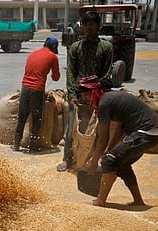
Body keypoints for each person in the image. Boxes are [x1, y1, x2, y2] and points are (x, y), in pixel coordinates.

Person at [80, 75, 158, 208]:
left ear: (94, 92)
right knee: (121, 164)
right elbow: (120, 128)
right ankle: (138, 201)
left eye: (86, 95)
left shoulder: (104, 103)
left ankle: (101, 200)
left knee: (109, 160)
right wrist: (110, 149)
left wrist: (94, 162)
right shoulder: (111, 98)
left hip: (146, 132)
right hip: (151, 133)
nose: (86, 99)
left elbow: (103, 137)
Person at [57, 11, 114, 172]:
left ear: (98, 27)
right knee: (71, 130)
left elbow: (105, 74)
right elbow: (71, 73)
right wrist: (73, 94)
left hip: (97, 98)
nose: (88, 28)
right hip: (77, 97)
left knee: (95, 131)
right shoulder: (75, 48)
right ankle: (67, 159)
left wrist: (96, 95)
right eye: (85, 25)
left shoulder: (106, 47)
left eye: (91, 25)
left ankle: (90, 160)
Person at [12, 35, 60, 152]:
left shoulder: (33, 53)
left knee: (22, 117)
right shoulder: (53, 57)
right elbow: (56, 77)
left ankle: (16, 144)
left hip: (25, 88)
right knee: (36, 118)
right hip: (37, 90)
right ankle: (33, 146)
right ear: (53, 46)